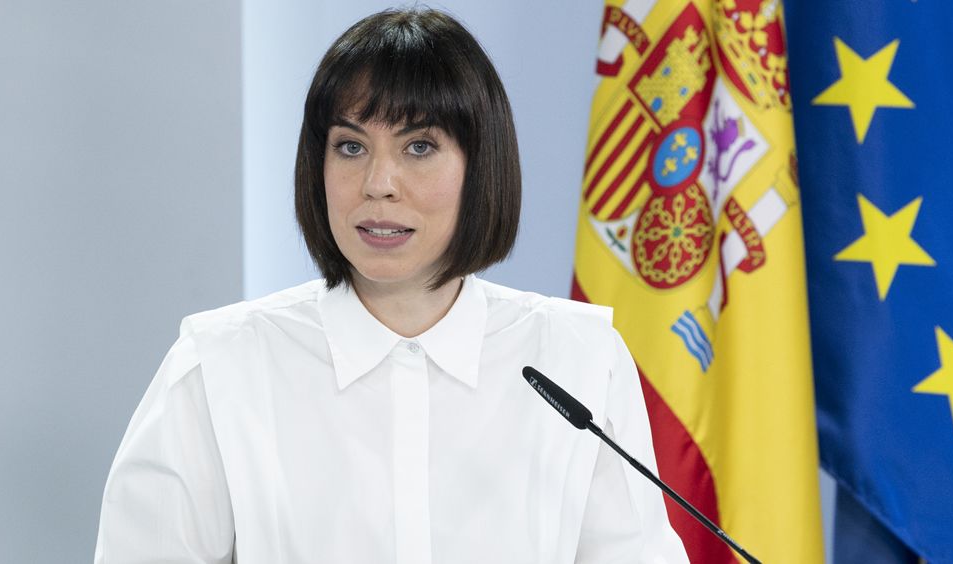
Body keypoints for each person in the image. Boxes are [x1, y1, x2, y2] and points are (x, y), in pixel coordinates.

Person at [95, 8, 687, 564]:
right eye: (350, 147)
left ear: (481, 167)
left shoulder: (579, 360)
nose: (378, 182)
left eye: (419, 147)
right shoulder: (220, 366)